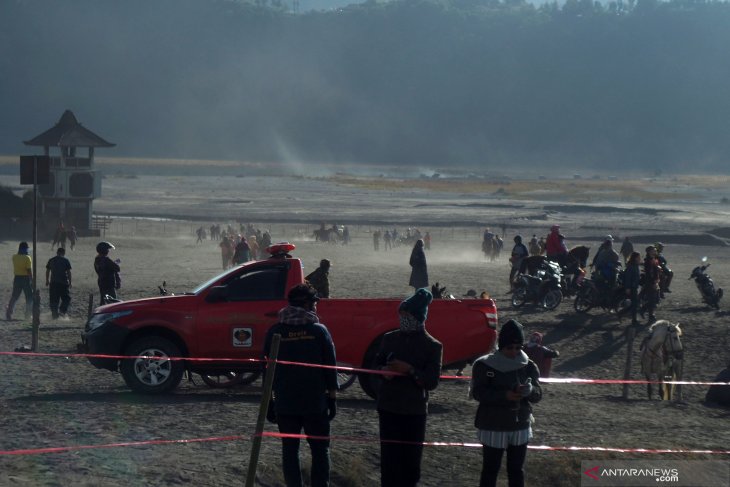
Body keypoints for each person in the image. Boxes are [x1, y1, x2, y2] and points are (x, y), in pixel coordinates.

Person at [263, 283, 338, 487]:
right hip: (315, 403)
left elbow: (266, 370)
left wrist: (269, 401)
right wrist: (332, 397)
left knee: (290, 450)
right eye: (314, 303)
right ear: (306, 304)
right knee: (320, 450)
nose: (315, 307)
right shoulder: (319, 331)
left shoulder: (275, 331)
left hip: (286, 402)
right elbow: (329, 366)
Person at [375, 288, 443, 487]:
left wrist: (410, 370)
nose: (403, 318)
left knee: (411, 465)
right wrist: (382, 372)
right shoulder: (389, 339)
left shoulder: (432, 346)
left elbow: (432, 381)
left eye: (407, 315)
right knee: (389, 463)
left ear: (418, 317)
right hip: (388, 407)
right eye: (401, 315)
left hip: (414, 411)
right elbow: (375, 365)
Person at [471, 319, 542, 487]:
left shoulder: (528, 366)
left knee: (517, 470)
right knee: (490, 470)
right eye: (509, 347)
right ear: (501, 346)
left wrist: (529, 391)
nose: (514, 351)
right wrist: (505, 395)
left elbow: (538, 395)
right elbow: (478, 392)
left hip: (520, 425)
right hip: (493, 425)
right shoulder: (484, 365)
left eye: (518, 348)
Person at [6, 242, 33, 321]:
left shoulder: (14, 257)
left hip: (17, 278)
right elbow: (29, 270)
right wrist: (32, 280)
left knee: (14, 296)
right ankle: (28, 315)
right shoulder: (27, 258)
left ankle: (9, 313)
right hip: (25, 279)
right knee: (29, 297)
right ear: (25, 249)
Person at [45, 247, 72, 319]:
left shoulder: (51, 260)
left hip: (53, 283)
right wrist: (70, 282)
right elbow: (69, 272)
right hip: (63, 283)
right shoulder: (66, 260)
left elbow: (48, 271)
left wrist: (47, 280)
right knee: (66, 298)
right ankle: (62, 311)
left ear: (57, 252)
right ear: (64, 253)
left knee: (54, 299)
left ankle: (54, 315)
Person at [640, 245, 662, 323]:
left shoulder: (653, 259)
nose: (655, 250)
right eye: (653, 250)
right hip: (651, 283)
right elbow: (649, 273)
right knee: (652, 299)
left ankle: (644, 311)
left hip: (655, 282)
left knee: (655, 299)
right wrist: (653, 282)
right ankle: (650, 316)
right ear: (649, 251)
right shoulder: (648, 261)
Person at [94, 241, 120, 305]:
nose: (108, 251)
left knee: (103, 299)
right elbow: (117, 268)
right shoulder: (106, 260)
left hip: (101, 281)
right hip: (109, 282)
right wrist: (116, 263)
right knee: (112, 301)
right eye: (107, 249)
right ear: (104, 250)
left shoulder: (97, 259)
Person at [620, 251, 642, 326]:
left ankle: (623, 314)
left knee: (635, 304)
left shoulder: (635, 265)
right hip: (632, 288)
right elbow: (628, 278)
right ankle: (633, 319)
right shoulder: (631, 266)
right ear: (635, 258)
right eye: (639, 257)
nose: (640, 259)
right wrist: (627, 288)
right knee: (635, 304)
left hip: (634, 287)